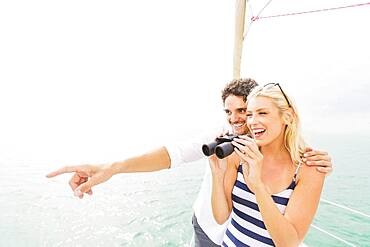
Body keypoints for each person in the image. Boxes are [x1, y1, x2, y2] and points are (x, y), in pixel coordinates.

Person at [46, 78, 333, 247]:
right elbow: (173, 153)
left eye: (245, 111)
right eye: (229, 112)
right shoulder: (225, 141)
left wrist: (316, 160)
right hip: (208, 230)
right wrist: (113, 167)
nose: (238, 120)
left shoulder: (304, 162)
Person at [210, 83, 325, 246]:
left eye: (262, 113)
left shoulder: (309, 169)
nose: (252, 121)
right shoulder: (239, 155)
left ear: (288, 116)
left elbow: (288, 243)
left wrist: (257, 185)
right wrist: (216, 172)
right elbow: (220, 217)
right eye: (249, 114)